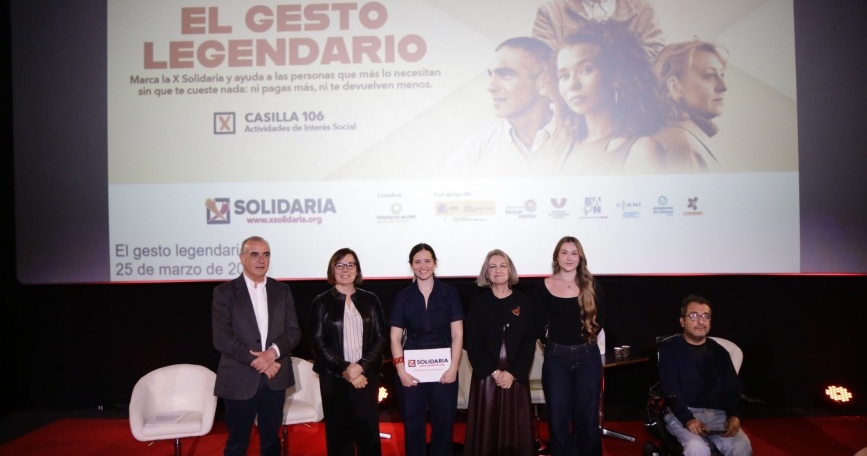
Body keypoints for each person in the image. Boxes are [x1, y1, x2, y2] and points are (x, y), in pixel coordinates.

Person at [212, 236, 302, 456]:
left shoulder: (282, 290)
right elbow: (222, 338)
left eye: (266, 254)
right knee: (236, 445)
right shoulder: (224, 292)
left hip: (275, 378)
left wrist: (272, 353)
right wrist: (258, 361)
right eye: (254, 254)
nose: (261, 260)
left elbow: (294, 332)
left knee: (271, 443)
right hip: (239, 379)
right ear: (242, 258)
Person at [447, 36, 572, 177]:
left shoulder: (579, 138)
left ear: (543, 82)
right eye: (491, 75)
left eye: (505, 75)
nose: (490, 87)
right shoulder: (475, 151)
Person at [556, 20, 669, 175]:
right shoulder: (565, 147)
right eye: (564, 76)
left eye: (586, 70)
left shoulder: (641, 150)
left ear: (616, 76)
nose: (572, 84)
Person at [309, 247, 388, 456]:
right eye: (340, 264)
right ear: (332, 270)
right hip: (334, 379)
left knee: (368, 434)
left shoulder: (371, 299)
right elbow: (318, 342)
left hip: (366, 377)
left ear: (357, 269)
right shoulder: (321, 302)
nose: (345, 269)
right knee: (338, 436)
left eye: (350, 264)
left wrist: (360, 367)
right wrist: (347, 369)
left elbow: (381, 338)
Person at [389, 243, 465, 456]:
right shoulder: (402, 296)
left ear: (435, 263)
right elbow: (395, 338)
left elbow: (457, 335)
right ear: (411, 265)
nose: (423, 266)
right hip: (411, 371)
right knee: (413, 423)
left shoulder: (450, 294)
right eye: (417, 261)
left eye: (427, 261)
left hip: (444, 369)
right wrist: (401, 371)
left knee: (444, 421)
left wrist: (453, 368)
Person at [533, 235, 605, 456]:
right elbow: (537, 324)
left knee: (587, 418)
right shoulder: (544, 285)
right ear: (556, 256)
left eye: (574, 253)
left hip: (588, 358)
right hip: (556, 360)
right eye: (564, 252)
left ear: (580, 257)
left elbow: (602, 319)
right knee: (558, 417)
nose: (569, 257)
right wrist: (551, 345)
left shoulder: (592, 285)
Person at [657, 295, 753, 456]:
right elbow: (669, 390)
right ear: (682, 321)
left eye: (705, 316)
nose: (700, 321)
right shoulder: (669, 349)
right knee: (697, 449)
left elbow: (732, 389)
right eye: (693, 316)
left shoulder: (720, 353)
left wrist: (735, 415)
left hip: (718, 414)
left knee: (742, 446)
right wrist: (688, 419)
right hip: (683, 411)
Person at [463, 249, 536, 456]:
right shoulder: (478, 303)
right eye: (492, 266)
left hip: (516, 378)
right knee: (487, 429)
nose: (498, 270)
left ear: (510, 269)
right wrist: (494, 372)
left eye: (502, 265)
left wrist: (513, 373)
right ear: (486, 273)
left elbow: (529, 341)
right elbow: (473, 343)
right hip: (488, 377)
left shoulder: (524, 301)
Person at [652, 39, 729, 172]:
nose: (723, 86)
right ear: (675, 87)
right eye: (710, 75)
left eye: (722, 74)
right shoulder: (683, 146)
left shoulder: (686, 138)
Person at [532, 0, 665, 61]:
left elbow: (659, 59)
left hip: (631, 104)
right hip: (571, 108)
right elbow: (542, 65)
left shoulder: (643, 10)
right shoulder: (550, 12)